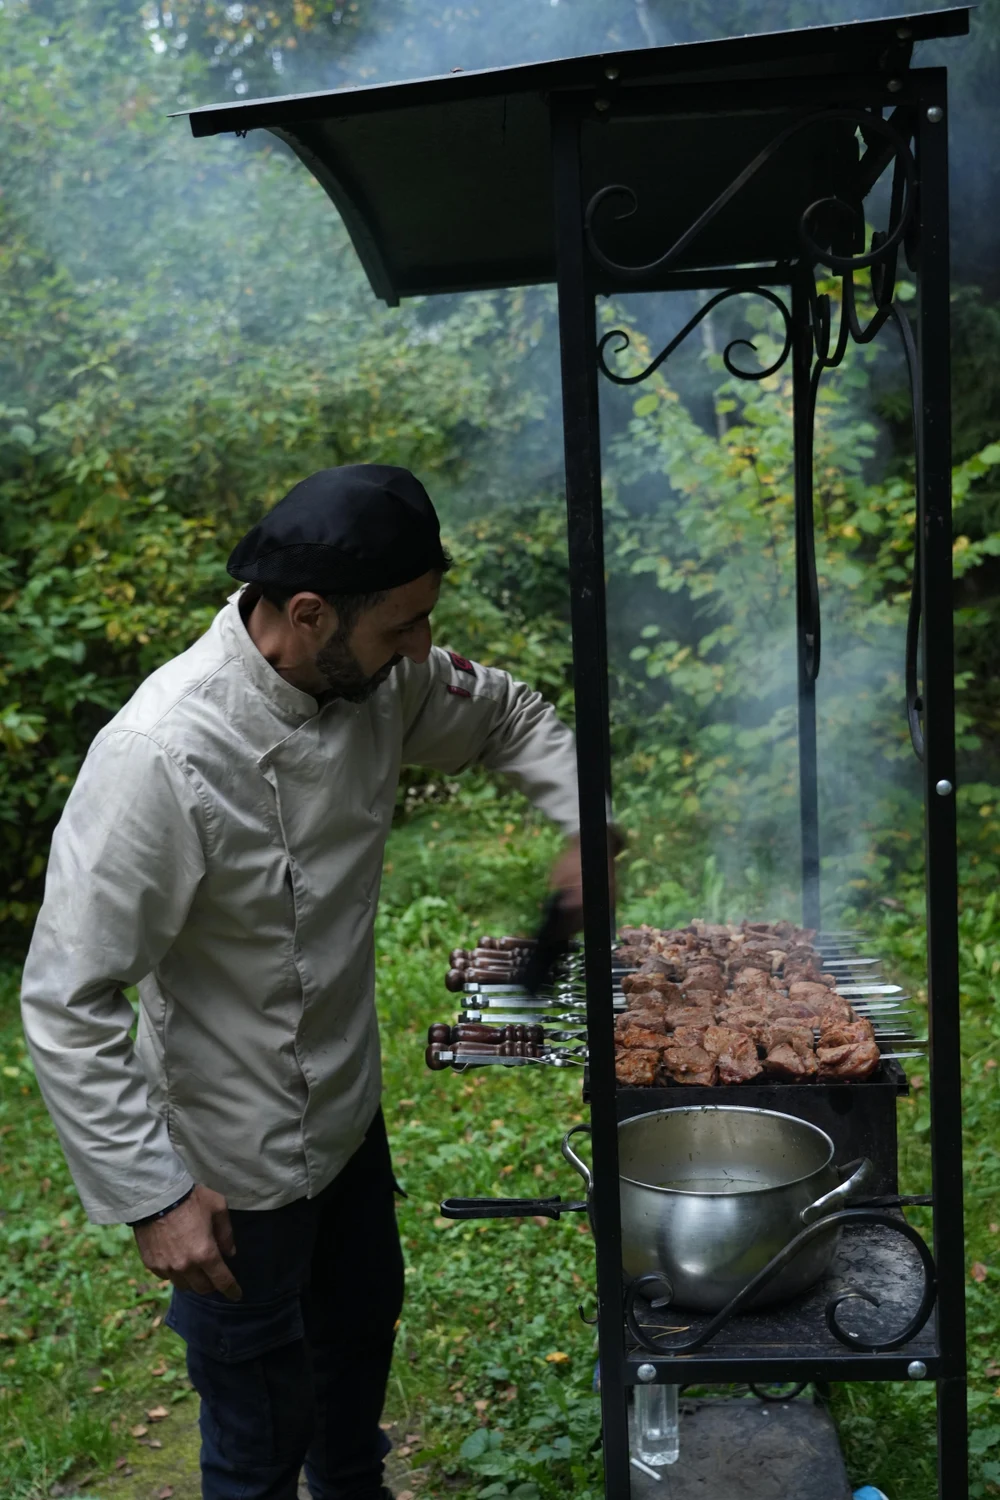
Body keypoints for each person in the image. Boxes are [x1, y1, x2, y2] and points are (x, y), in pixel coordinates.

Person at [20, 465, 583, 1500]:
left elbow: (503, 714)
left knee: (359, 1343)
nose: (421, 647)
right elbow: (67, 997)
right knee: (257, 1426)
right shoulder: (162, 757)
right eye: (403, 626)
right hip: (231, 1164)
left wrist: (581, 818)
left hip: (347, 1115)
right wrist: (153, 1197)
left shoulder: (372, 677)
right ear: (310, 613)